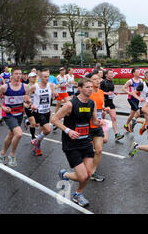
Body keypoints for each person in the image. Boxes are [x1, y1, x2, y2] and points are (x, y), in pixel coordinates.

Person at [53, 78, 101, 207]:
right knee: (82, 176)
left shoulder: (92, 103)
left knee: (89, 174)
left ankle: (78, 193)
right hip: (71, 144)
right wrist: (68, 130)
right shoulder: (70, 104)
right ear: (79, 88)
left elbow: (94, 121)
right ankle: (65, 174)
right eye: (87, 87)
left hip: (86, 141)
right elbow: (54, 119)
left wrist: (100, 122)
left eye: (91, 87)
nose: (90, 89)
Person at [0, 67, 30, 167]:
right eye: (16, 74)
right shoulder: (4, 87)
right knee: (18, 134)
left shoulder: (25, 87)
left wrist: (30, 104)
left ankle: (1, 153)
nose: (19, 75)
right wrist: (3, 107)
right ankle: (12, 155)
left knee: (11, 134)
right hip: (8, 114)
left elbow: (26, 100)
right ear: (12, 75)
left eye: (20, 73)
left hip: (19, 114)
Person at [87, 71, 109, 182]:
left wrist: (105, 109)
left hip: (98, 124)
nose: (98, 81)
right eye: (95, 79)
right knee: (89, 150)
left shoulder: (100, 92)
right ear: (90, 81)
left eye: (98, 79)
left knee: (99, 150)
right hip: (88, 125)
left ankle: (93, 172)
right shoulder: (88, 93)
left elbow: (101, 106)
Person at [29, 69, 55, 156]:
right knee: (48, 129)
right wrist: (31, 104)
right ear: (40, 77)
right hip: (39, 112)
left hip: (47, 111)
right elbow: (26, 97)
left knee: (42, 130)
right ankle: (36, 141)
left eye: (48, 76)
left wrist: (55, 95)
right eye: (45, 77)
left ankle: (37, 147)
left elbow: (53, 96)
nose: (47, 78)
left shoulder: (50, 85)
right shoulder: (35, 87)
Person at [99, 69, 124, 141]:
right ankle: (99, 133)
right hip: (104, 102)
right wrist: (107, 93)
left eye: (112, 73)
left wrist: (114, 92)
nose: (112, 74)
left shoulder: (112, 82)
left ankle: (117, 134)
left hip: (110, 102)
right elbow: (99, 92)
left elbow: (110, 91)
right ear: (106, 75)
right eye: (110, 73)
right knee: (101, 119)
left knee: (114, 118)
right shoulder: (103, 82)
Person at [122, 68, 142, 132]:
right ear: (134, 73)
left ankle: (126, 124)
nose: (139, 72)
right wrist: (129, 92)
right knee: (138, 113)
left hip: (138, 99)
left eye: (139, 71)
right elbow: (124, 88)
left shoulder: (141, 81)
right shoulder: (130, 81)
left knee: (131, 115)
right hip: (132, 99)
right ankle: (132, 123)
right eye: (137, 71)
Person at [23, 72, 39, 142]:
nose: (34, 78)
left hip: (36, 107)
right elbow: (21, 97)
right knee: (33, 122)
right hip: (29, 107)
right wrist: (24, 104)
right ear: (29, 78)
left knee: (37, 124)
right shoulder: (26, 86)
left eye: (35, 77)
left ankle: (27, 122)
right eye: (32, 77)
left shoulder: (38, 86)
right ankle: (33, 137)